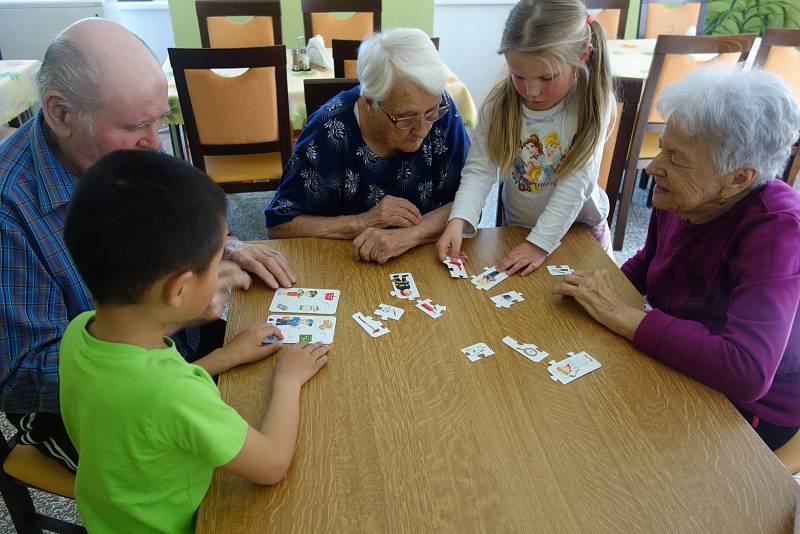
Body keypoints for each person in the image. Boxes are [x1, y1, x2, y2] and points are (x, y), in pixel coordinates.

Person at [0, 18, 294, 472]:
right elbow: (20, 380)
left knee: (284, 371)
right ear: (60, 113)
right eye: (137, 124)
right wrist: (161, 322)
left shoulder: (130, 148)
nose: (155, 143)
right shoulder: (9, 210)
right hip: (86, 409)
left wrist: (229, 246)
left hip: (174, 354)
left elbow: (191, 212)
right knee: (232, 484)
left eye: (159, 121)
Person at [60, 149, 330, 533]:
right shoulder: (175, 393)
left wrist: (224, 356)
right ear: (180, 289)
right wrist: (287, 379)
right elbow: (271, 465)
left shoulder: (81, 331)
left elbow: (135, 401)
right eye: (219, 259)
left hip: (110, 517)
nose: (226, 268)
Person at [552, 67, 800, 452]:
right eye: (662, 147)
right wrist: (593, 291)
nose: (653, 167)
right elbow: (652, 263)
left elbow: (748, 371)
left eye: (675, 157)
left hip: (749, 409)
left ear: (737, 179)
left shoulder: (778, 228)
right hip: (682, 360)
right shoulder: (685, 195)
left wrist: (628, 317)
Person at [436, 0, 614, 274]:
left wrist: (540, 244)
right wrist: (459, 219)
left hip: (580, 232)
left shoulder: (592, 106)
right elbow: (480, 168)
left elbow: (576, 184)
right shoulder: (500, 103)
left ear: (582, 56)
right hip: (518, 229)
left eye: (546, 78)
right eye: (518, 75)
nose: (531, 91)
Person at [266, 27, 470, 264]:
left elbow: (468, 200)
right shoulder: (329, 130)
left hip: (429, 258)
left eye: (430, 112)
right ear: (370, 101)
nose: (423, 129)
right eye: (405, 118)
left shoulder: (442, 113)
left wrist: (408, 236)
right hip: (344, 265)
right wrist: (362, 222)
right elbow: (279, 225)